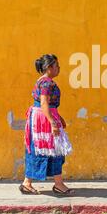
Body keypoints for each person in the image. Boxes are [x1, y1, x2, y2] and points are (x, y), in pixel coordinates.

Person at [19, 54, 74, 195]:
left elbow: (48, 104)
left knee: (40, 150)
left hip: (42, 117)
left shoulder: (43, 81)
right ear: (49, 68)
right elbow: (44, 103)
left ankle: (28, 183)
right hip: (43, 119)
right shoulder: (47, 83)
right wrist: (53, 123)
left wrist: (58, 117)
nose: (59, 68)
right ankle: (58, 184)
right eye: (56, 66)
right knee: (55, 150)